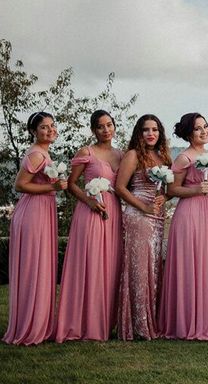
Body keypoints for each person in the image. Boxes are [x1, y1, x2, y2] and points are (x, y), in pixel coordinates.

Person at [56, 110, 124, 342]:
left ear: (115, 126)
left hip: (114, 213)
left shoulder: (122, 155)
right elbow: (72, 184)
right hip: (91, 212)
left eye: (109, 125)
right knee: (91, 264)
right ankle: (81, 323)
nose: (106, 130)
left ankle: (104, 323)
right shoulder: (86, 152)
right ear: (93, 130)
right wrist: (90, 201)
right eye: (100, 126)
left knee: (110, 266)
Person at [3, 112, 67, 345]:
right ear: (33, 131)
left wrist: (56, 185)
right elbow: (20, 184)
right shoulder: (36, 154)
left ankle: (35, 321)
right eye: (43, 127)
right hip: (33, 213)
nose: (50, 130)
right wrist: (55, 188)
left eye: (52, 125)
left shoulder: (42, 152)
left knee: (39, 265)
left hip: (41, 211)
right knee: (34, 266)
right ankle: (30, 326)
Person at [158, 113, 208, 341]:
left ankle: (204, 319)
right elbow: (171, 190)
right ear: (188, 133)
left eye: (205, 126)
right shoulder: (184, 158)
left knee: (206, 263)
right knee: (190, 264)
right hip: (191, 214)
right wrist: (195, 190)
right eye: (197, 129)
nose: (204, 131)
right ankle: (185, 321)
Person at [115, 114, 171, 340]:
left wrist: (163, 199)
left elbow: (166, 190)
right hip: (138, 215)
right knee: (139, 269)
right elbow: (120, 187)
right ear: (139, 133)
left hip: (157, 217)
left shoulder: (162, 156)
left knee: (154, 267)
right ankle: (138, 325)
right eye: (146, 130)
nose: (151, 134)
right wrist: (143, 206)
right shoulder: (132, 155)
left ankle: (152, 320)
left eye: (155, 130)